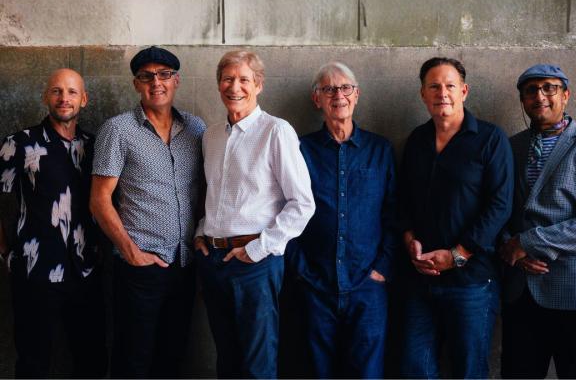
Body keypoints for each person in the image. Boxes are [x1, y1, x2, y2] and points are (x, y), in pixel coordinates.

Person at [194, 50, 315, 379]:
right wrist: (201, 233)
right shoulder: (211, 135)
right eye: (228, 79)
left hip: (255, 264)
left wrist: (258, 249)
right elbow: (213, 192)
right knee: (227, 360)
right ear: (219, 84)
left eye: (244, 79)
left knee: (257, 364)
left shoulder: (276, 131)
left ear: (258, 85)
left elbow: (302, 204)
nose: (235, 87)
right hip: (215, 260)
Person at [90, 45, 205, 378]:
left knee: (172, 357)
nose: (157, 83)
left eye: (164, 75)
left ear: (176, 81)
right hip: (140, 268)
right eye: (147, 76)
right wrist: (131, 253)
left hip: (184, 264)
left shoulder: (196, 129)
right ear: (136, 84)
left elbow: (204, 190)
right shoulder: (119, 129)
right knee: (133, 360)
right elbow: (99, 200)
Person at [398, 57, 513, 379]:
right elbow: (402, 200)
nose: (442, 92)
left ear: (464, 91)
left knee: (468, 371)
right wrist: (409, 242)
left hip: (471, 281)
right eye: (434, 86)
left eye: (450, 85)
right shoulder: (417, 140)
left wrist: (458, 255)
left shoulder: (490, 139)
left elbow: (500, 205)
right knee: (414, 369)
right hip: (420, 280)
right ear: (422, 94)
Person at [286, 62, 397, 378]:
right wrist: (302, 271)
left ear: (357, 94)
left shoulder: (380, 149)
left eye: (345, 87)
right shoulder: (300, 150)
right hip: (314, 285)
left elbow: (393, 212)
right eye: (328, 88)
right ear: (316, 99)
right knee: (316, 371)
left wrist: (382, 269)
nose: (338, 95)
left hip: (367, 285)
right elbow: (284, 210)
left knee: (367, 373)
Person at [0, 68, 106, 378]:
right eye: (57, 91)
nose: (64, 98)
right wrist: (6, 250)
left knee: (92, 359)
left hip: (85, 271)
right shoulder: (19, 143)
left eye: (72, 92)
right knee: (33, 362)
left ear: (84, 99)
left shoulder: (95, 146)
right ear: (46, 96)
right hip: (35, 273)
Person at [499, 64, 576, 379]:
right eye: (530, 90)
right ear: (523, 101)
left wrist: (528, 243)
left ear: (565, 95)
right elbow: (498, 208)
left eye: (548, 88)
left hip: (574, 291)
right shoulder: (511, 146)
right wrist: (508, 247)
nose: (539, 96)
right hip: (521, 291)